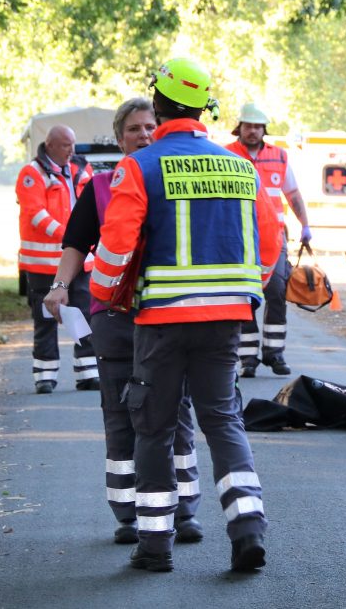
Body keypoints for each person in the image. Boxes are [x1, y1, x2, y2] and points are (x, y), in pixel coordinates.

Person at [90, 58, 269, 573]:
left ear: (160, 105)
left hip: (161, 323)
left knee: (154, 428)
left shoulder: (139, 166)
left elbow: (116, 246)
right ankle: (248, 528)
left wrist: (106, 296)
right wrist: (245, 296)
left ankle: (155, 547)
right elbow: (267, 241)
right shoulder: (241, 166)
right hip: (225, 320)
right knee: (223, 420)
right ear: (203, 107)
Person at [42, 98, 203, 547]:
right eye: (134, 128)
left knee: (177, 412)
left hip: (169, 315)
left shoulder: (174, 178)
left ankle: (184, 511)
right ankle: (130, 514)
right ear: (119, 138)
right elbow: (76, 243)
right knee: (120, 414)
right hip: (115, 318)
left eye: (151, 125)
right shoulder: (101, 187)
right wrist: (59, 285)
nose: (144, 133)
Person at [227, 103, 312, 378]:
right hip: (238, 237)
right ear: (239, 127)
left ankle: (274, 353)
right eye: (248, 126)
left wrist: (305, 224)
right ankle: (247, 357)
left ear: (264, 129)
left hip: (274, 237)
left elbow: (293, 194)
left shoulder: (279, 157)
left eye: (257, 126)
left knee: (276, 291)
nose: (253, 131)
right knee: (245, 296)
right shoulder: (226, 155)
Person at [15, 123, 97, 393]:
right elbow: (35, 213)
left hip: (80, 261)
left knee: (84, 313)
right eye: (65, 145)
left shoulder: (82, 170)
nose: (71, 150)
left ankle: (87, 372)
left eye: (72, 145)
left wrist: (84, 239)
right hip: (44, 263)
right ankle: (45, 376)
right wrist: (70, 236)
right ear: (49, 145)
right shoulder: (31, 174)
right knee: (46, 318)